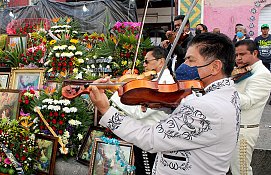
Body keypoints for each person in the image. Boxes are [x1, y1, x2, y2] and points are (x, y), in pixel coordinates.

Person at [89, 32, 240, 174]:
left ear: (215, 67)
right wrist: (165, 105)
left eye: (191, 60)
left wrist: (106, 109)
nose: (185, 64)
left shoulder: (207, 107)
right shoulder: (228, 94)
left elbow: (151, 139)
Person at [110, 47, 174, 175]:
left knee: (145, 171)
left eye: (147, 61)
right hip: (147, 136)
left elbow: (139, 113)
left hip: (150, 137)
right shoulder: (155, 80)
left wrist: (116, 93)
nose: (144, 65)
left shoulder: (164, 83)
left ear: (161, 61)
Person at [230, 40, 271, 175]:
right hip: (233, 129)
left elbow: (247, 102)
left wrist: (224, 90)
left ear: (255, 53)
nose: (238, 58)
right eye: (236, 55)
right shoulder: (244, 70)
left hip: (244, 132)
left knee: (241, 171)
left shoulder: (262, 74)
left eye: (242, 54)